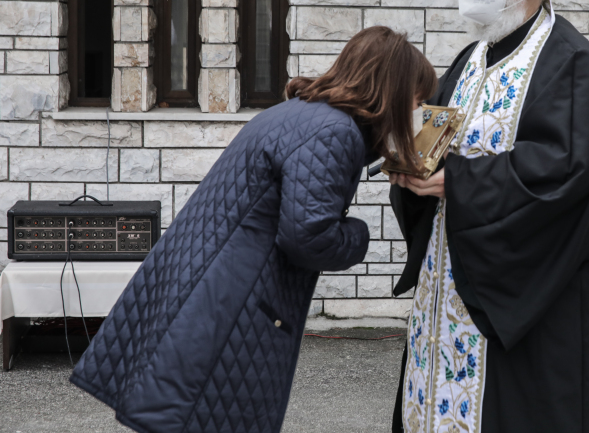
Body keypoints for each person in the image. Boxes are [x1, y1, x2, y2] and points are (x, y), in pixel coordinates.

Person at [70, 27, 437, 433]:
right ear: (392, 91)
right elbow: (308, 237)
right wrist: (358, 235)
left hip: (207, 288)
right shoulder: (333, 132)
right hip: (232, 305)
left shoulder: (301, 112)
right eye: (417, 101)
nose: (417, 112)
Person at [388, 0, 589, 433]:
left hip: (523, 301)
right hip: (448, 284)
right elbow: (436, 138)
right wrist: (410, 163)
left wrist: (459, 183)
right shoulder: (473, 56)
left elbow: (566, 175)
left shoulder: (577, 70)